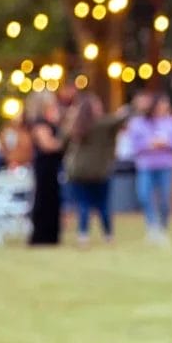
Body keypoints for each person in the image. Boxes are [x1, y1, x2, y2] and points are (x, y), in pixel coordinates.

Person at [63, 91, 131, 246]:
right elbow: (119, 121)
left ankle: (83, 235)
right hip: (99, 171)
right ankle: (108, 235)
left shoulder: (76, 126)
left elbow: (63, 142)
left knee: (83, 204)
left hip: (78, 171)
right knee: (103, 205)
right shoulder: (102, 124)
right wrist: (126, 110)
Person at [126, 91, 172, 245]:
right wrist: (149, 144)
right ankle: (152, 227)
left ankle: (162, 227)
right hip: (146, 164)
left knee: (165, 198)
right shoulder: (138, 123)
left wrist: (167, 143)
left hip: (166, 164)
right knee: (144, 195)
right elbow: (132, 145)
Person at [24, 92, 65, 246]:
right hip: (45, 168)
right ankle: (43, 235)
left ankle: (52, 234)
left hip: (52, 167)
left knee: (52, 200)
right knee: (44, 199)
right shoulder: (39, 124)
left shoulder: (50, 122)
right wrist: (63, 143)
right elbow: (47, 145)